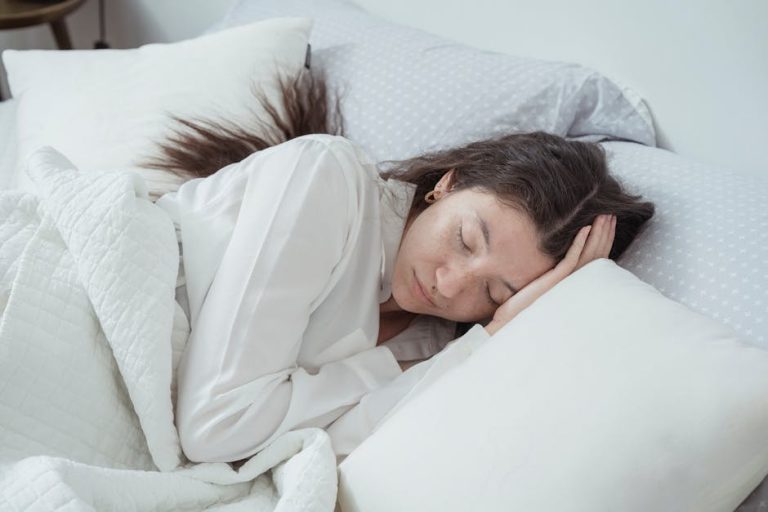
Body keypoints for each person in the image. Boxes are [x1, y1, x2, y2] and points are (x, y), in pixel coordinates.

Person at [149, 70, 654, 465]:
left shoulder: (435, 348)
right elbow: (215, 428)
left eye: (497, 293)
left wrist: (495, 334)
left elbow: (318, 455)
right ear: (449, 184)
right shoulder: (327, 180)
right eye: (464, 239)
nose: (450, 285)